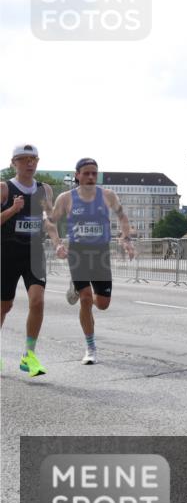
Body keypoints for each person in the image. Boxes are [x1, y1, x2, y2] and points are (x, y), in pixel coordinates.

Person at [49, 158, 135, 365]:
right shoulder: (66, 198)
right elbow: (50, 223)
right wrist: (58, 244)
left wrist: (125, 239)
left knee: (103, 304)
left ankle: (80, 291)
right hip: (78, 253)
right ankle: (90, 347)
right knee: (86, 299)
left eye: (94, 174)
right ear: (77, 175)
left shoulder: (107, 195)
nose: (90, 177)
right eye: (86, 173)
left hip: (101, 254)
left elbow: (122, 217)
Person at [1, 143, 61, 376]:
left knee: (37, 301)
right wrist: (12, 211)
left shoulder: (44, 190)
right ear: (14, 163)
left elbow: (49, 220)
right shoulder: (4, 189)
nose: (30, 163)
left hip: (34, 253)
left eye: (34, 159)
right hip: (6, 252)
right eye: (24, 159)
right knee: (4, 306)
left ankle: (29, 355)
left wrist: (57, 243)